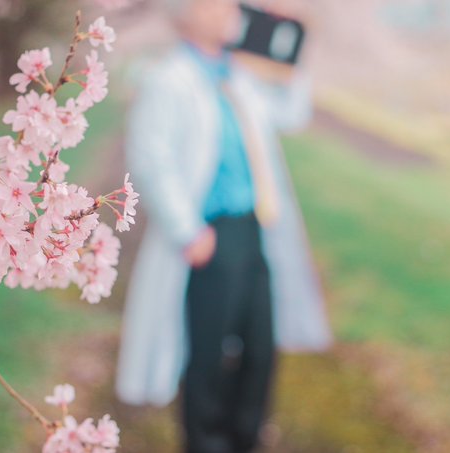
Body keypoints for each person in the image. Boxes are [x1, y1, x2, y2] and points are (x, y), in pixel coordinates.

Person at [116, 0, 332, 451]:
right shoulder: (169, 78)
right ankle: (206, 441)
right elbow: (151, 158)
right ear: (187, 14)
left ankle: (246, 437)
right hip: (209, 234)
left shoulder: (240, 76)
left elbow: (291, 115)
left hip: (254, 228)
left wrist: (293, 39)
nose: (230, 10)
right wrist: (187, 230)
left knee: (260, 345)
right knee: (208, 348)